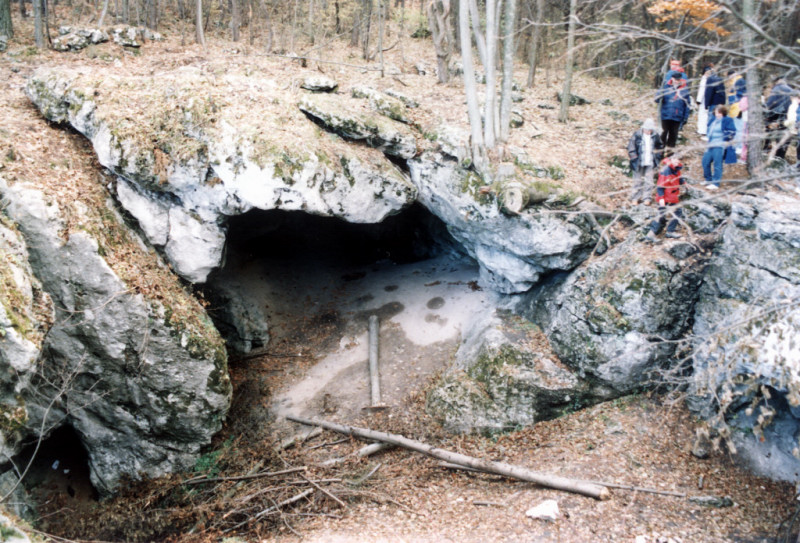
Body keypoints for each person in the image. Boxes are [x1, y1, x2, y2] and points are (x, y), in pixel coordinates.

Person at [645, 155, 685, 242]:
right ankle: (650, 235)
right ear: (671, 160)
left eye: (678, 160)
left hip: (672, 196)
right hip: (665, 197)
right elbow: (660, 186)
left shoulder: (676, 168)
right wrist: (661, 198)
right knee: (661, 214)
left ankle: (670, 231)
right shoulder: (666, 170)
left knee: (677, 211)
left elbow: (679, 178)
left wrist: (684, 183)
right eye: (675, 159)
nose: (677, 161)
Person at [627, 118, 664, 205]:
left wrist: (658, 156)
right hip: (638, 162)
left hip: (650, 161)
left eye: (650, 130)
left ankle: (647, 198)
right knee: (637, 181)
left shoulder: (655, 135)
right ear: (643, 128)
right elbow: (631, 147)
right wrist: (634, 158)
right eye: (647, 130)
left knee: (649, 181)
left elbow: (660, 146)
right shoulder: (637, 135)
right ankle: (635, 198)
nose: (649, 132)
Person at [702, 105, 736, 189]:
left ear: (723, 113)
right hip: (710, 144)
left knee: (717, 164)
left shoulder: (727, 120)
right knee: (705, 162)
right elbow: (709, 128)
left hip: (719, 145)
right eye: (716, 113)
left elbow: (732, 131)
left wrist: (725, 138)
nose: (717, 114)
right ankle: (708, 179)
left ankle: (715, 183)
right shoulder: (713, 119)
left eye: (719, 113)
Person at [657, 74, 691, 150]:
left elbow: (687, 105)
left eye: (678, 80)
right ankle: (660, 152)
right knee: (663, 134)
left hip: (677, 117)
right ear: (672, 78)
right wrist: (659, 95)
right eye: (675, 79)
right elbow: (657, 99)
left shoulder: (684, 90)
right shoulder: (665, 87)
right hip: (665, 115)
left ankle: (670, 153)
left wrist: (685, 117)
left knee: (673, 136)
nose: (677, 81)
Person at [764, 77, 794, 159]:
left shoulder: (776, 89)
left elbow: (770, 104)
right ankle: (780, 157)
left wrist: (766, 114)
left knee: (768, 135)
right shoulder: (790, 90)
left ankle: (766, 152)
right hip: (788, 117)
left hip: (775, 116)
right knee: (784, 139)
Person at [703, 66, 727, 142]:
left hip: (713, 102)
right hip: (720, 102)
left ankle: (709, 135)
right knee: (718, 119)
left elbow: (708, 93)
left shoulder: (710, 79)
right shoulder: (720, 79)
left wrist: (706, 105)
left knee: (711, 119)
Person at [697, 65, 712, 136]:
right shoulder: (705, 79)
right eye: (707, 73)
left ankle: (702, 130)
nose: (708, 74)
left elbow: (702, 91)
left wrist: (699, 100)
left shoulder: (706, 80)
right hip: (704, 99)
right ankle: (702, 129)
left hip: (705, 100)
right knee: (703, 115)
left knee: (703, 115)